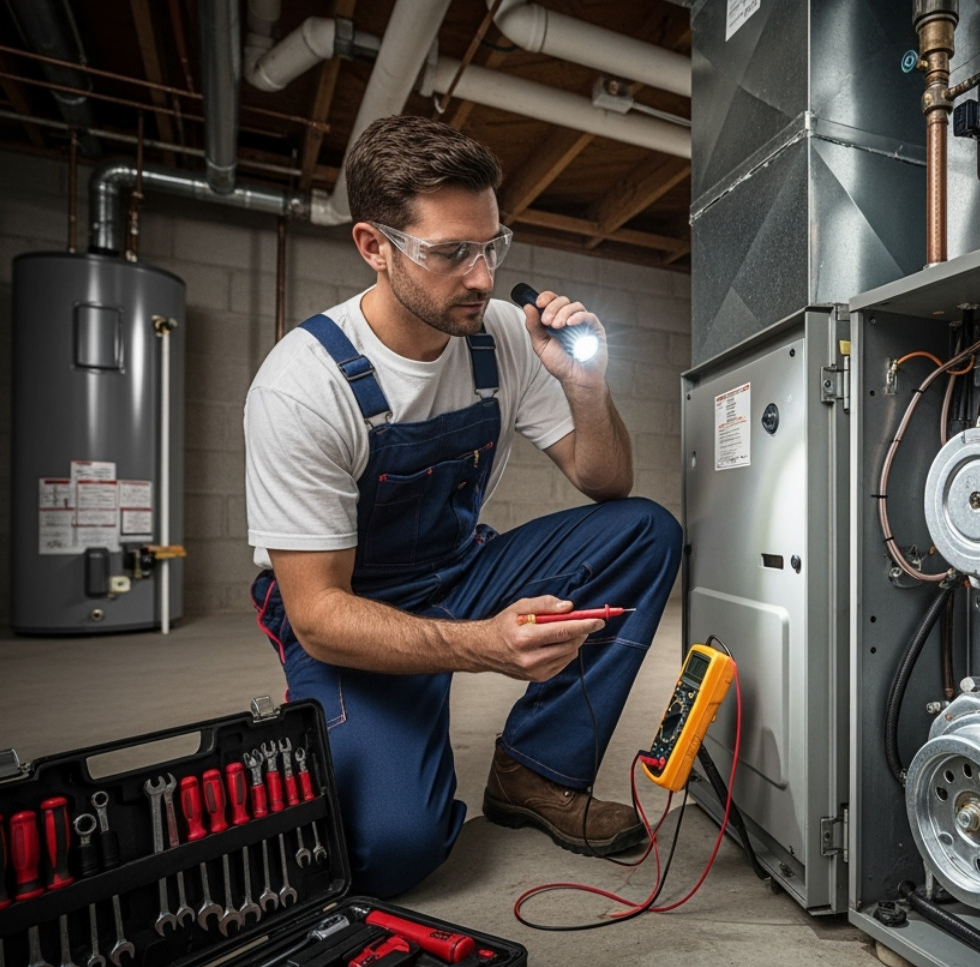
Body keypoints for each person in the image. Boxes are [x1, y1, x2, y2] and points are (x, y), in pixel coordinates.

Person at [244, 114, 681, 897]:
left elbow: (606, 483)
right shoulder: (302, 385)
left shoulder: (503, 335)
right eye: (451, 253)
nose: (481, 276)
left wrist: (587, 386)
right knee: (393, 854)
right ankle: (354, 728)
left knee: (643, 531)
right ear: (374, 247)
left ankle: (536, 774)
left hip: (457, 569)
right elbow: (316, 613)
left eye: (491, 246)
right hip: (351, 617)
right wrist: (480, 645)